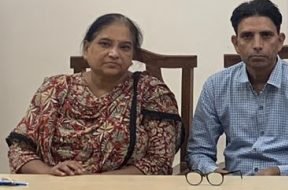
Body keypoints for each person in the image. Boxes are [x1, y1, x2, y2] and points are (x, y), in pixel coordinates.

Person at [7, 14, 181, 175]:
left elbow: (159, 162)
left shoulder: (151, 93)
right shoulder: (55, 88)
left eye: (124, 47)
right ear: (86, 48)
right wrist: (49, 172)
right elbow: (19, 150)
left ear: (132, 55)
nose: (114, 53)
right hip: (54, 188)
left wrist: (95, 183)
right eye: (105, 44)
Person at [187, 0, 288, 176]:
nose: (257, 45)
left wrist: (281, 172)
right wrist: (213, 172)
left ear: (280, 41)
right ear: (236, 43)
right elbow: (198, 152)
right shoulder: (216, 86)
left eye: (266, 35)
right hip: (235, 185)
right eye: (247, 36)